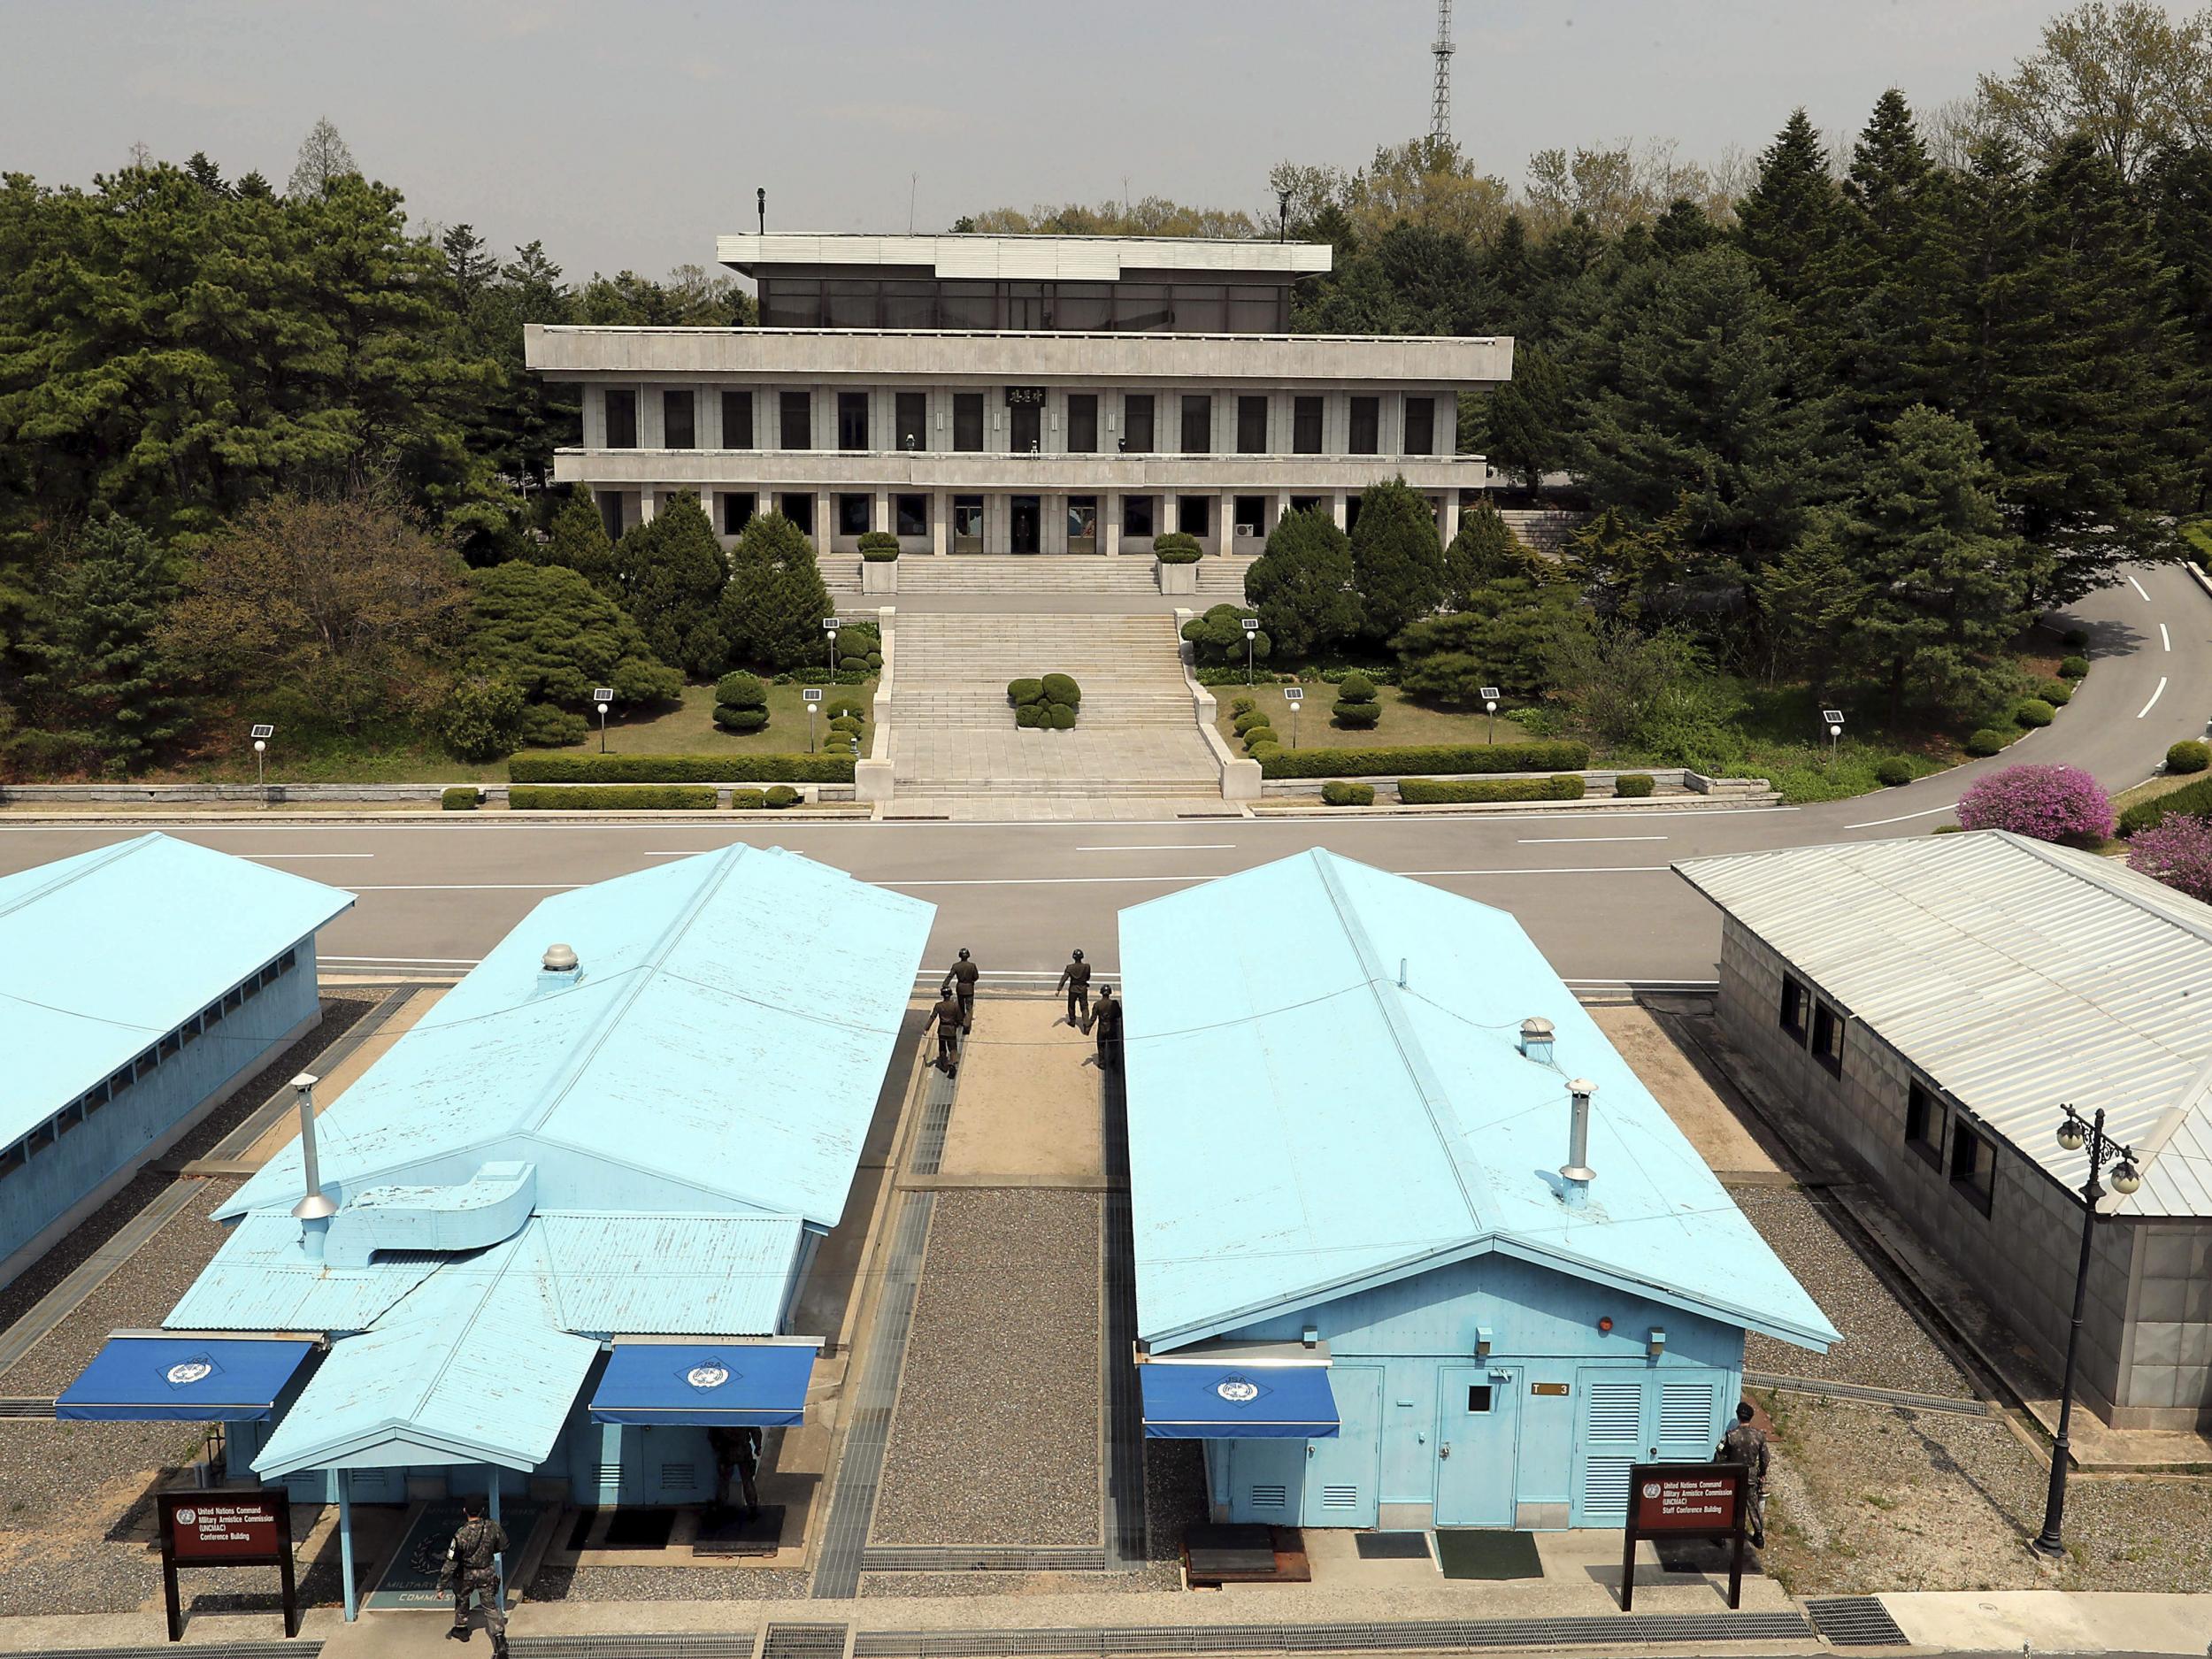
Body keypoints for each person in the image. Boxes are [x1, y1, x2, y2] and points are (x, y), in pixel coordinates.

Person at [440, 1494, 509, 1655]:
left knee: (462, 1598)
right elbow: (504, 1545)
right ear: (482, 1510)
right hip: (486, 1571)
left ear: (465, 1511)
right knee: (490, 1604)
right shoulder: (493, 1527)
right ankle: (499, 1638)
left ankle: (462, 1629)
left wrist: (441, 1586)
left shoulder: (460, 1534)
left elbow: (451, 1562)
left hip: (466, 1574)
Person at [1718, 1400, 1770, 1548]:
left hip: (1733, 1476)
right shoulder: (1759, 1436)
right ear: (1750, 1417)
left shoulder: (1731, 1435)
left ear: (1738, 1416)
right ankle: (1759, 1535)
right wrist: (1762, 1472)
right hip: (1750, 1476)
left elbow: (1720, 1454)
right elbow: (1766, 1458)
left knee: (1729, 1505)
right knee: (1752, 1505)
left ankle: (1723, 1535)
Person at [709, 1424, 763, 1520]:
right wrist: (758, 1446)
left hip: (726, 1451)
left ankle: (720, 1507)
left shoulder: (722, 1413)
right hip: (744, 1449)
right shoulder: (744, 1411)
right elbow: (755, 1429)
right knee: (747, 1480)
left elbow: (713, 1433)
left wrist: (717, 1446)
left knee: (724, 1482)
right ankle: (753, 1508)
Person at [922, 987, 966, 1076]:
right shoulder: (955, 1005)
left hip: (942, 1030)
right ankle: (952, 1063)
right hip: (951, 1029)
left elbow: (932, 1017)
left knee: (942, 1048)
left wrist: (926, 1028)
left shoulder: (938, 1006)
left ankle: (944, 1065)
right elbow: (959, 1018)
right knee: (953, 1048)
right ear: (950, 995)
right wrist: (958, 1024)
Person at [1082, 983, 1124, 1071]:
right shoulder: (1115, 1004)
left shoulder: (1097, 1004)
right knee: (1113, 1046)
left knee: (1101, 1046)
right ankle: (1112, 1061)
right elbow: (1119, 1015)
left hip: (1102, 1028)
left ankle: (1102, 1063)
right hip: (1112, 1027)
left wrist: (1087, 1026)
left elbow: (1093, 1018)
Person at [941, 948, 980, 1031]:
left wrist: (945, 984)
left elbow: (950, 976)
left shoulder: (956, 966)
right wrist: (971, 981)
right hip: (969, 987)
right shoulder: (972, 965)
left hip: (960, 988)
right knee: (969, 1008)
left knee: (961, 1005)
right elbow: (976, 977)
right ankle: (966, 1024)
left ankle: (960, 1020)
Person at [1056, 948, 1092, 1026]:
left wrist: (1059, 989)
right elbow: (1088, 977)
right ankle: (1086, 1022)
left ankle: (1072, 1021)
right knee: (1084, 1006)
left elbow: (1064, 979)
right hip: (1083, 989)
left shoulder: (1070, 967)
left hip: (1073, 989)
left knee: (1071, 1005)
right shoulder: (1087, 966)